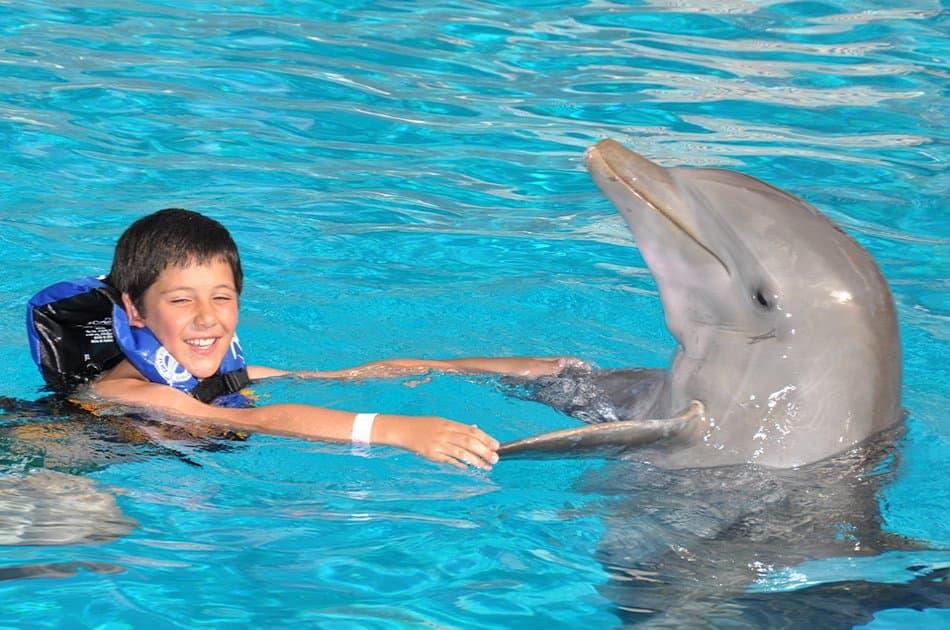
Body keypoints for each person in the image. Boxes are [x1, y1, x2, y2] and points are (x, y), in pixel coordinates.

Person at [89, 208, 583, 471]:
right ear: (134, 310)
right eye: (180, 301)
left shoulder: (225, 377)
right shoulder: (129, 391)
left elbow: (350, 375)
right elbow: (254, 420)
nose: (206, 318)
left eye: (222, 298)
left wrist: (514, 369)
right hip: (70, 464)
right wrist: (398, 430)